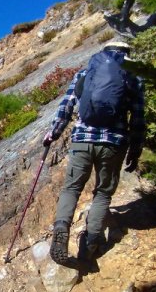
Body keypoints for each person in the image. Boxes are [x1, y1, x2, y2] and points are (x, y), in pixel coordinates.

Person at [43, 41, 145, 266]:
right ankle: (89, 246)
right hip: (114, 143)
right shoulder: (134, 77)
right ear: (127, 53)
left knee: (71, 188)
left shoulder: (85, 72)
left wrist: (54, 133)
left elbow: (66, 107)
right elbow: (138, 117)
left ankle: (61, 228)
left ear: (104, 52)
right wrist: (136, 148)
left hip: (81, 140)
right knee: (102, 193)